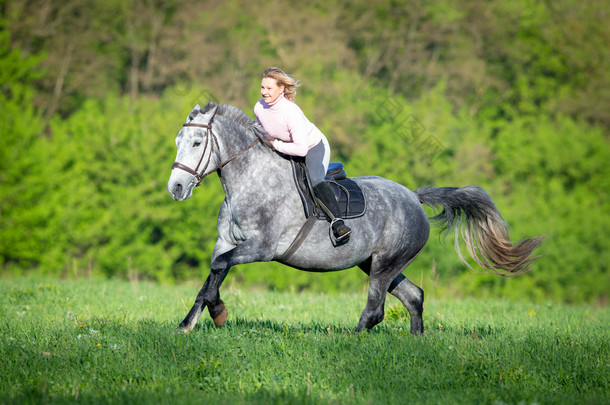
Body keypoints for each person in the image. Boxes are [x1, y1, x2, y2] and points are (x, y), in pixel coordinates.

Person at [254, 67, 351, 242]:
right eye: (262, 88)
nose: (264, 92)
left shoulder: (291, 111)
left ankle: (338, 222)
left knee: (314, 180)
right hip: (285, 149)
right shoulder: (259, 108)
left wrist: (275, 144)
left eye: (269, 88)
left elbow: (301, 149)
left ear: (281, 88)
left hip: (313, 147)